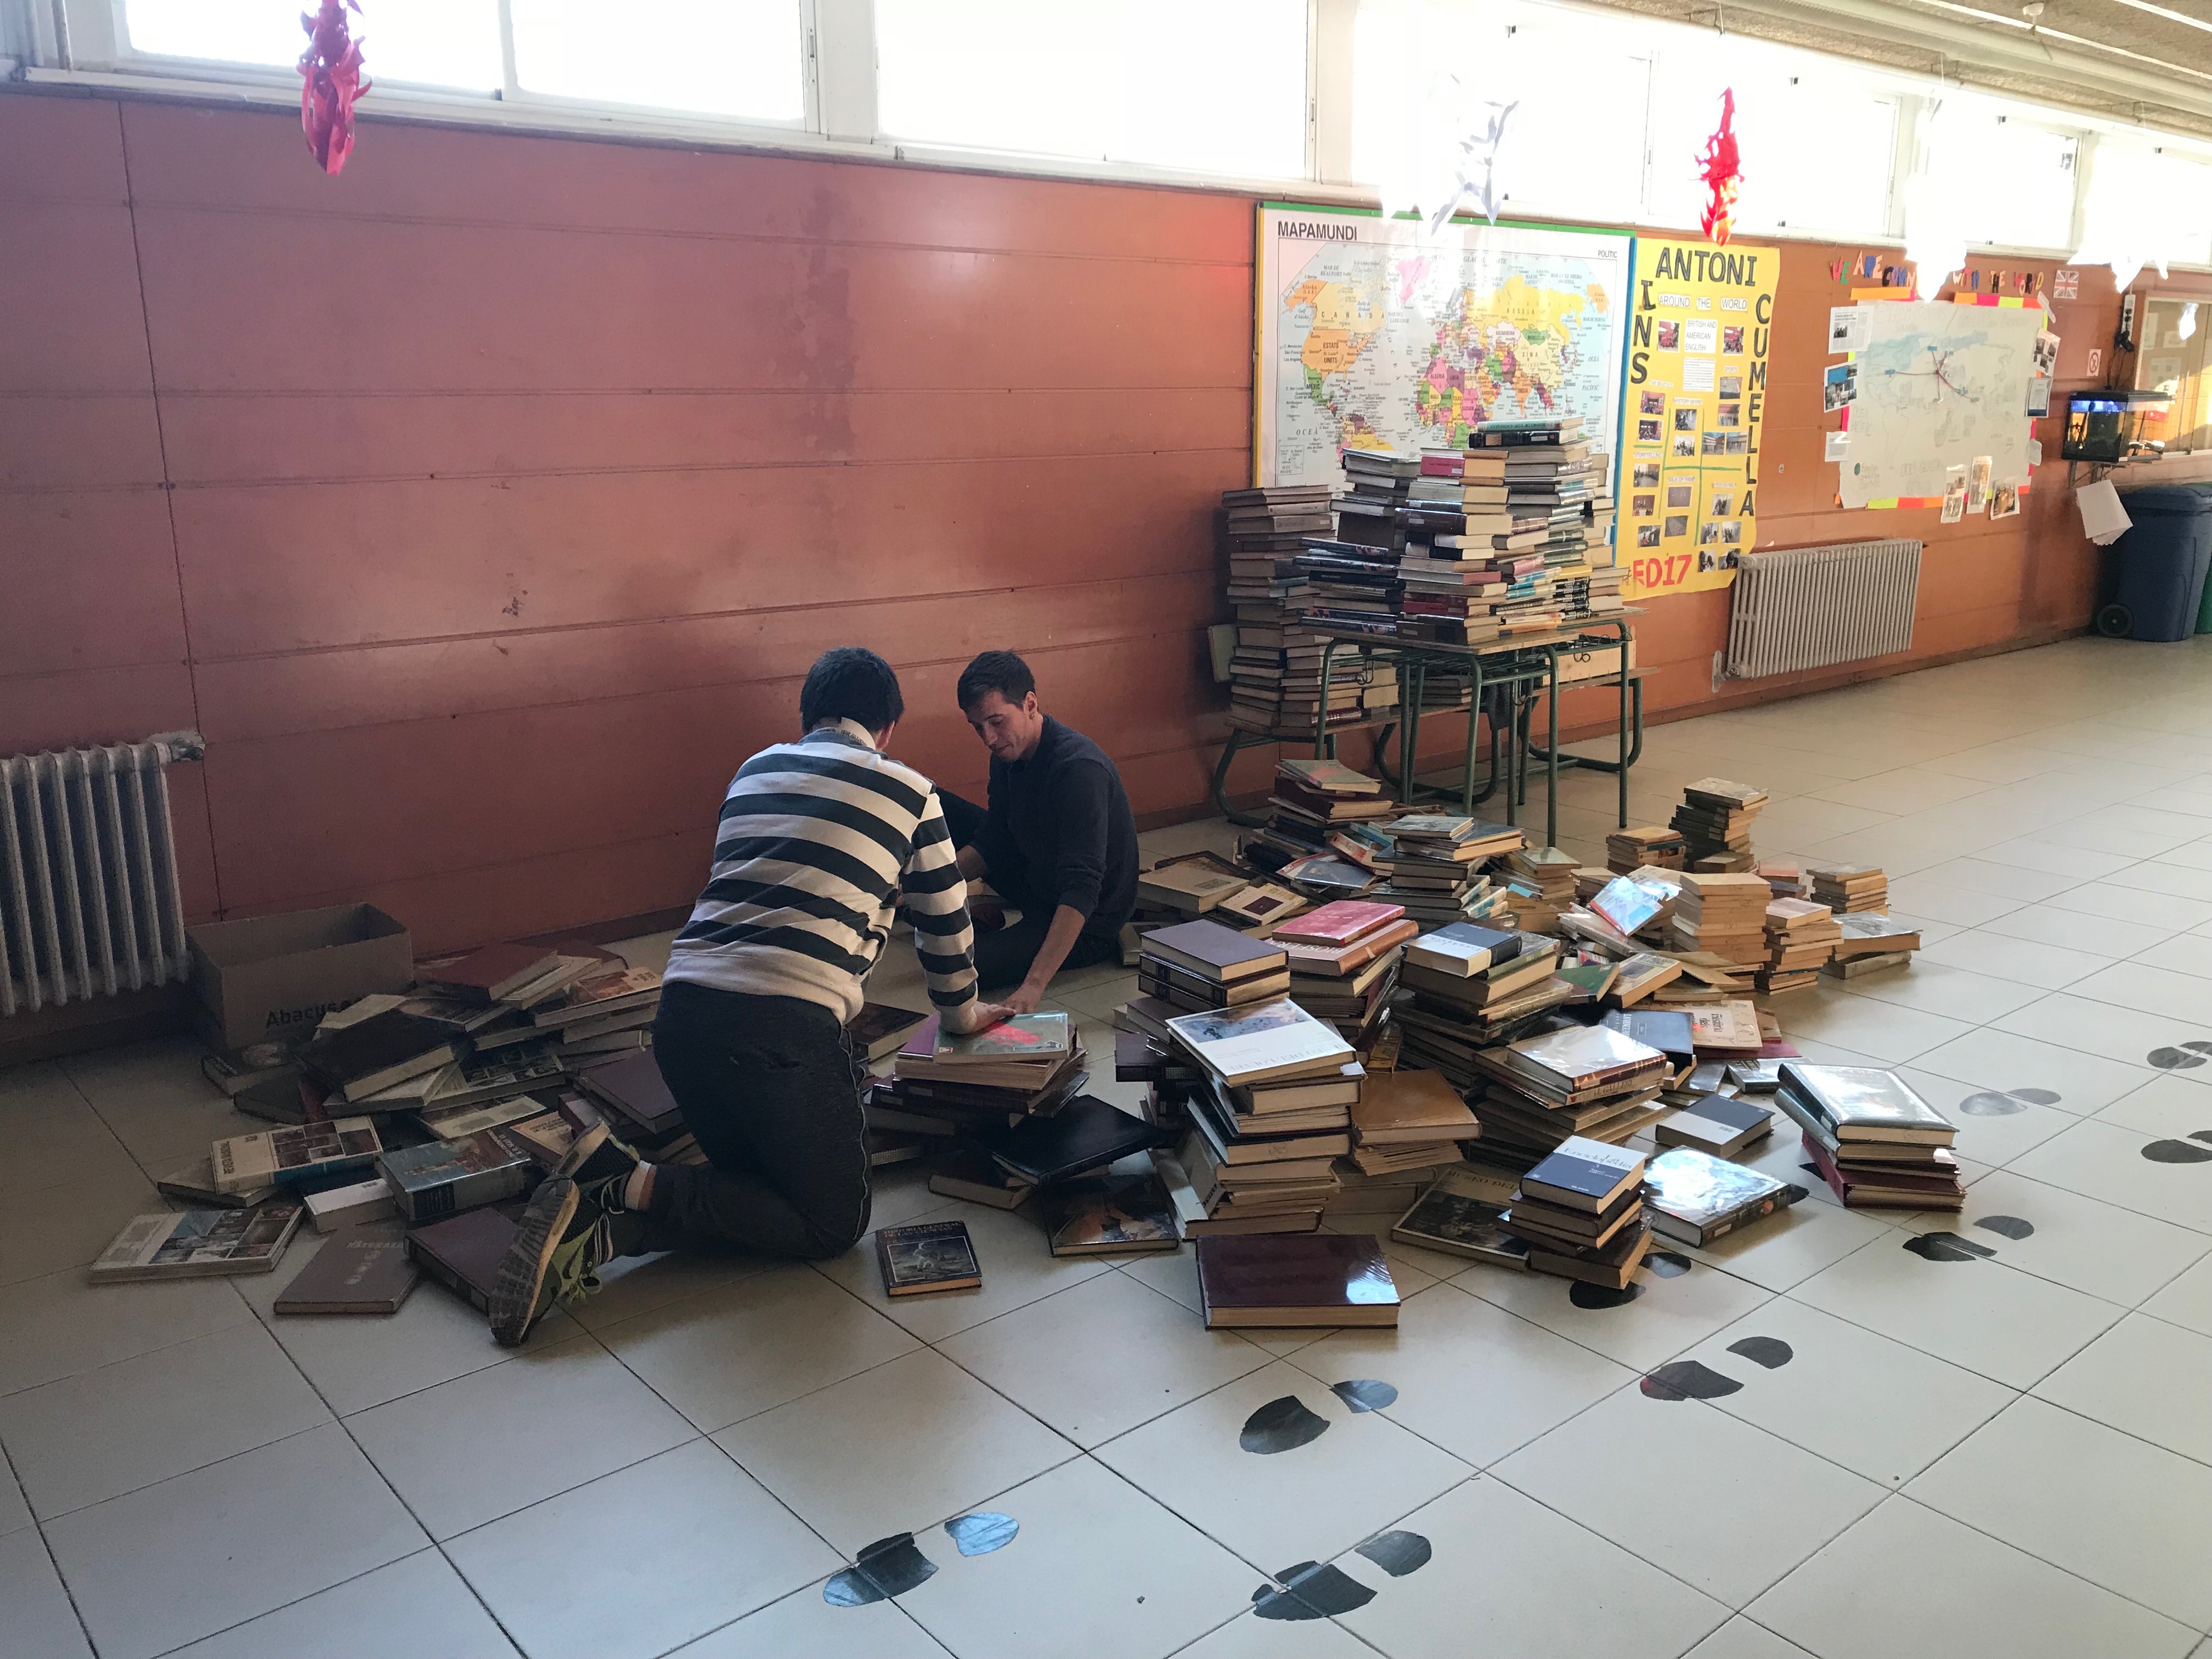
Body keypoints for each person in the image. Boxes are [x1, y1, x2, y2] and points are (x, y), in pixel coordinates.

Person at [489, 646, 1009, 1346]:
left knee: (758, 1186)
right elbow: (945, 928)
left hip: (680, 1022)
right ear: (888, 729)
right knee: (832, 1222)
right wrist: (964, 1016)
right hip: (780, 1035)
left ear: (807, 718)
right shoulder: (911, 791)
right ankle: (619, 1176)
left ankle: (613, 1232)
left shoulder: (754, 770)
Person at [935, 650, 1139, 1013]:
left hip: (1088, 918)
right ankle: (934, 904)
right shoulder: (1006, 753)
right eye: (977, 726)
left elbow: (1081, 888)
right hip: (1037, 874)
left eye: (997, 722)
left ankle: (983, 926)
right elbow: (993, 841)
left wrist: (1033, 986)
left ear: (1030, 704)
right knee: (932, 802)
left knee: (964, 965)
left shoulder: (1079, 769)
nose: (988, 738)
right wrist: (925, 885)